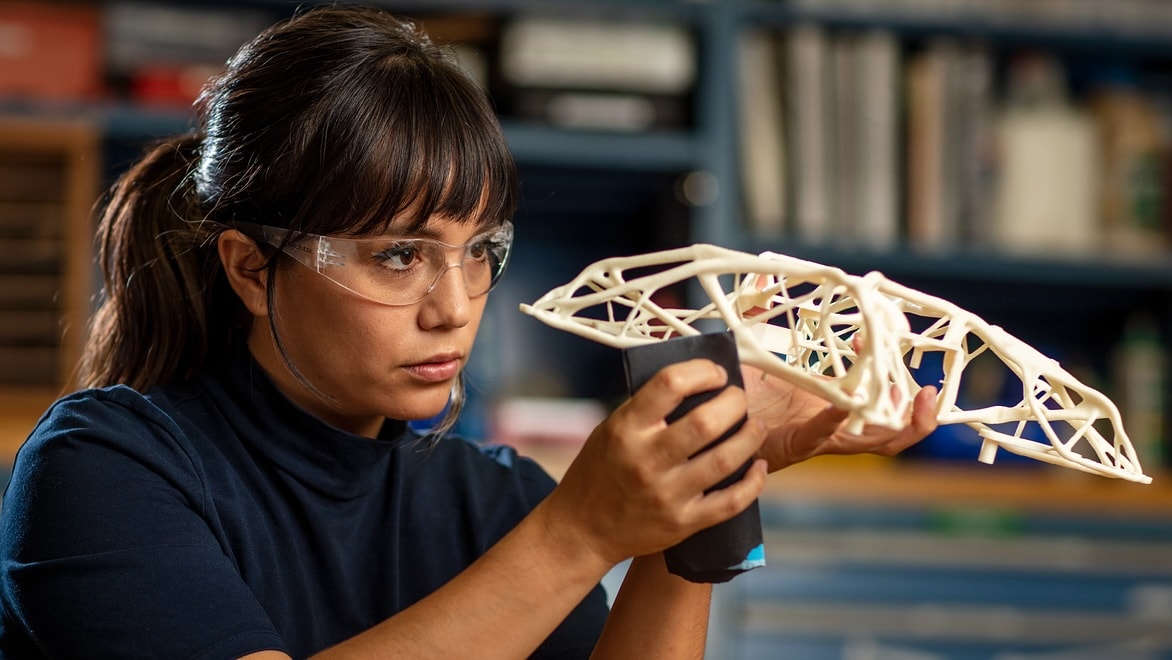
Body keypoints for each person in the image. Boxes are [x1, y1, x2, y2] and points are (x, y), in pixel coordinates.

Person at [0, 5, 938, 659]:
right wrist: (577, 534)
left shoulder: (490, 502)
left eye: (479, 249)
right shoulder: (102, 468)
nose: (455, 306)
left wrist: (706, 491)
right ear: (252, 268)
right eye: (399, 256)